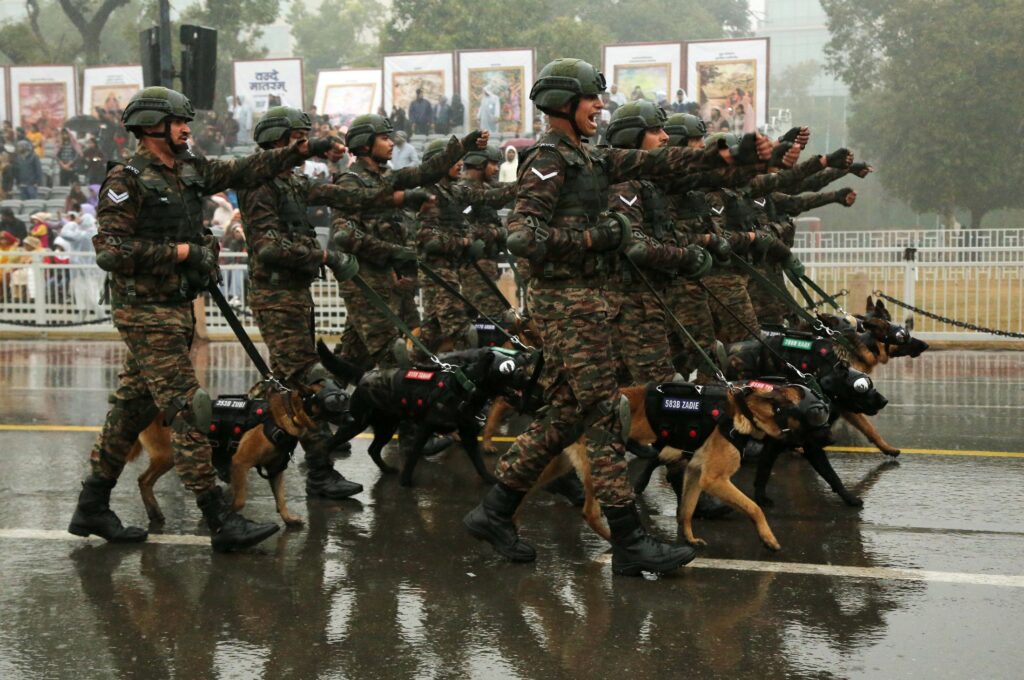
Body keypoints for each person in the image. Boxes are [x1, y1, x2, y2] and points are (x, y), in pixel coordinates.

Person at [462, 57, 771, 576]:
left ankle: (492, 512)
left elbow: (658, 165)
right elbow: (522, 236)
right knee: (605, 416)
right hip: (568, 307)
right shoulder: (548, 159)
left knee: (563, 416)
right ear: (563, 104)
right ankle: (630, 541)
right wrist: (594, 238)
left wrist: (733, 153)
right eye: (590, 98)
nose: (599, 106)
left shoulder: (587, 156)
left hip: (590, 304)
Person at [67, 86, 345, 552]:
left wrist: (308, 148)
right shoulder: (126, 179)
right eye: (178, 122)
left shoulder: (192, 169)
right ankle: (218, 517)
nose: (186, 129)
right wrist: (181, 252)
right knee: (189, 408)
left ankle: (91, 505)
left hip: (175, 307)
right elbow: (110, 251)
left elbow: (246, 167)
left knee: (132, 409)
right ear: (151, 126)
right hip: (144, 312)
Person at [237, 106, 398, 498]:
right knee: (312, 382)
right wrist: (323, 256)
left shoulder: (289, 181)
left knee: (282, 386)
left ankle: (237, 447)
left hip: (294, 293)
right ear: (280, 139)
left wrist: (405, 189)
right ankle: (319, 471)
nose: (306, 143)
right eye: (300, 136)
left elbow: (337, 193)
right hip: (276, 295)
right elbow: (268, 246)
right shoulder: (260, 184)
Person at [331, 114, 486, 370]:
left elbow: (427, 171)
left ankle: (328, 402)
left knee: (354, 359)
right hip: (366, 283)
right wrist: (395, 253)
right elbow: (344, 235)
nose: (391, 143)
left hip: (393, 280)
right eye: (384, 138)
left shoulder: (388, 178)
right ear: (364, 144)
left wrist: (464, 145)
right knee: (394, 356)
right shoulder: (351, 182)